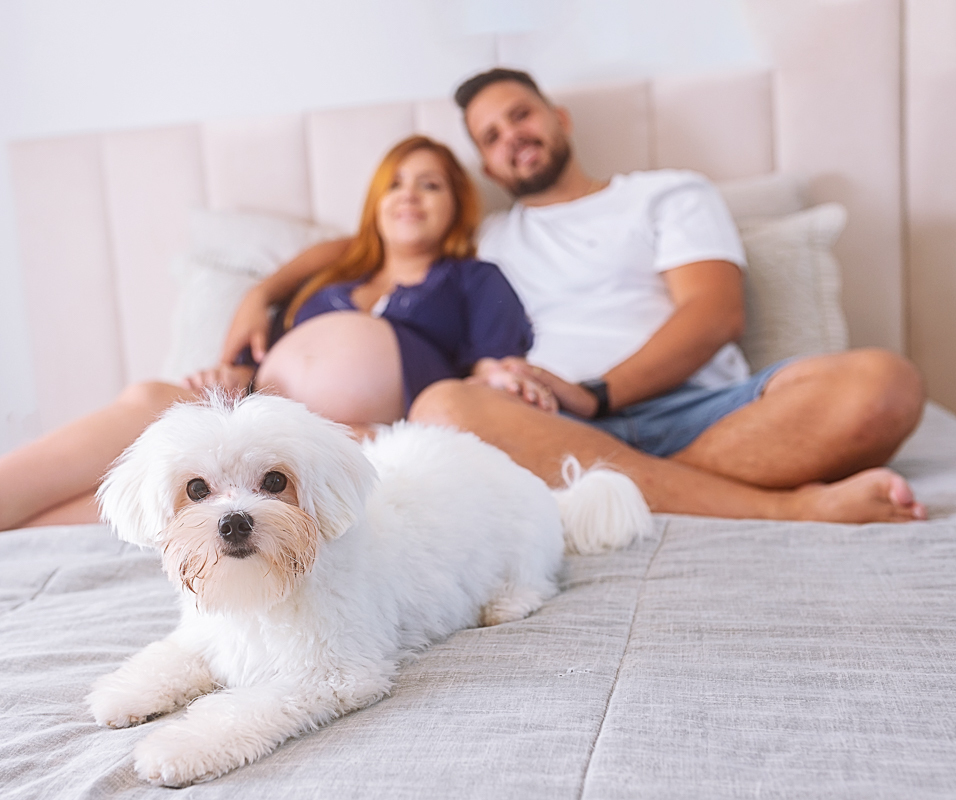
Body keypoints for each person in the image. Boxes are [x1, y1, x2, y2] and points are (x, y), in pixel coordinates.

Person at [401, 68, 926, 524]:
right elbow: (387, 274)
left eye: (521, 115)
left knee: (884, 384)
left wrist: (598, 393)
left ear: (560, 118)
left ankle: (622, 485)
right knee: (441, 407)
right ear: (488, 168)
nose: (512, 136)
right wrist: (502, 377)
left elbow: (715, 313)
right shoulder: (486, 240)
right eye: (491, 136)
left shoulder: (667, 193)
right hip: (555, 423)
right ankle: (783, 507)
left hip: (703, 412)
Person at [0, 135, 534, 531]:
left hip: (361, 437)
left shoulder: (473, 279)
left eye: (430, 184)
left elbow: (489, 377)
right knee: (150, 401)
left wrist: (500, 379)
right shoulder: (337, 273)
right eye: (394, 184)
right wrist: (233, 369)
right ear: (375, 203)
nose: (408, 194)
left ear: (457, 204)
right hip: (253, 410)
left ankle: (23, 529)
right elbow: (259, 352)